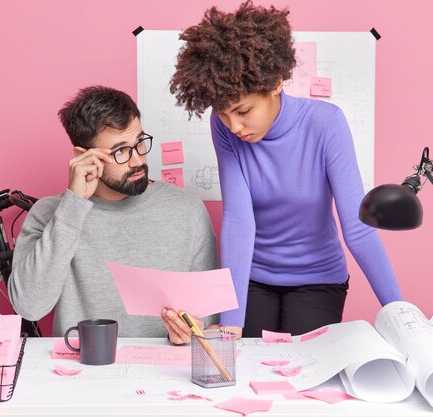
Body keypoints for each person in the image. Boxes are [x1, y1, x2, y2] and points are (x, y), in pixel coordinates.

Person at [169, 1, 403, 338]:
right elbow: (238, 218)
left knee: (304, 371)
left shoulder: (326, 124)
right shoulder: (224, 128)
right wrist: (231, 320)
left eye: (243, 110)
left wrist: (402, 317)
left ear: (276, 82)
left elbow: (358, 227)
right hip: (253, 276)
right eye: (223, 114)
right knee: (245, 366)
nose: (233, 126)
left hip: (319, 279)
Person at [8, 86, 218, 344]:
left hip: (166, 371)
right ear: (83, 156)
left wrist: (194, 326)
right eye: (120, 151)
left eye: (140, 143)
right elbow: (30, 306)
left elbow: (209, 313)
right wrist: (74, 205)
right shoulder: (49, 213)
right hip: (82, 370)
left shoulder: (187, 209)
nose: (137, 161)